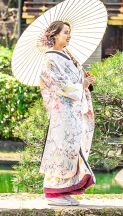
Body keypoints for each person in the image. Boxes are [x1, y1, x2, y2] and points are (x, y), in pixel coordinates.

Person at [38, 20, 96, 206]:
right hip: (63, 112)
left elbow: (74, 81)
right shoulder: (51, 59)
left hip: (73, 111)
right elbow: (58, 84)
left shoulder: (68, 56)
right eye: (65, 33)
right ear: (55, 36)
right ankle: (54, 192)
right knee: (62, 149)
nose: (69, 36)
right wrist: (81, 86)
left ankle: (65, 190)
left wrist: (85, 80)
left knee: (72, 148)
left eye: (69, 33)